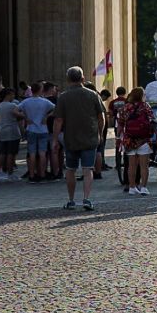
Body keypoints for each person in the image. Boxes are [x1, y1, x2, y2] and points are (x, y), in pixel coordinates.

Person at [54, 67, 106, 210]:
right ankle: (86, 198)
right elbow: (101, 117)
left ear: (68, 79)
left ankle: (71, 200)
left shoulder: (63, 97)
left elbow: (58, 120)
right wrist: (100, 133)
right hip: (89, 137)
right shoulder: (93, 95)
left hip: (70, 138)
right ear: (83, 79)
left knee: (70, 169)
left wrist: (54, 139)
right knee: (87, 169)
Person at [118, 87, 155, 195]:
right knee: (144, 166)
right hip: (144, 139)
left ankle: (132, 187)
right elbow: (152, 120)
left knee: (131, 166)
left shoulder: (125, 107)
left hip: (129, 139)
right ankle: (143, 187)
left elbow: (121, 123)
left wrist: (118, 137)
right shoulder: (146, 106)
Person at [17, 82, 55, 183]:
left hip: (31, 128)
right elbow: (56, 108)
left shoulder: (26, 102)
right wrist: (47, 117)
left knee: (32, 153)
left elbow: (15, 110)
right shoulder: (45, 102)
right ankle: (42, 174)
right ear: (40, 90)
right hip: (43, 129)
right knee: (42, 153)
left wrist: (25, 117)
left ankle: (32, 175)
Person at [0, 88, 21, 182]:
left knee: (3, 153)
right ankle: (10, 173)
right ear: (8, 95)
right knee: (11, 153)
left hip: (3, 131)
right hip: (12, 131)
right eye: (12, 95)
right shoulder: (12, 105)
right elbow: (19, 115)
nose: (13, 96)